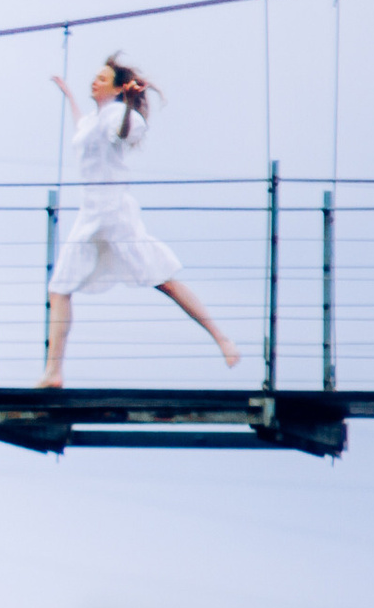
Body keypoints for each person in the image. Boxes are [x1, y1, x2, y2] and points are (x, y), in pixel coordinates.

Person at [43, 58, 239, 385]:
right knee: (59, 289)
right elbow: (83, 131)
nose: (94, 81)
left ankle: (222, 339)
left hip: (115, 217)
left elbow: (120, 133)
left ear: (119, 87)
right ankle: (53, 372)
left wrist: (131, 103)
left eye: (102, 78)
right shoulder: (93, 119)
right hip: (90, 218)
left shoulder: (120, 116)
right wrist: (68, 96)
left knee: (164, 280)